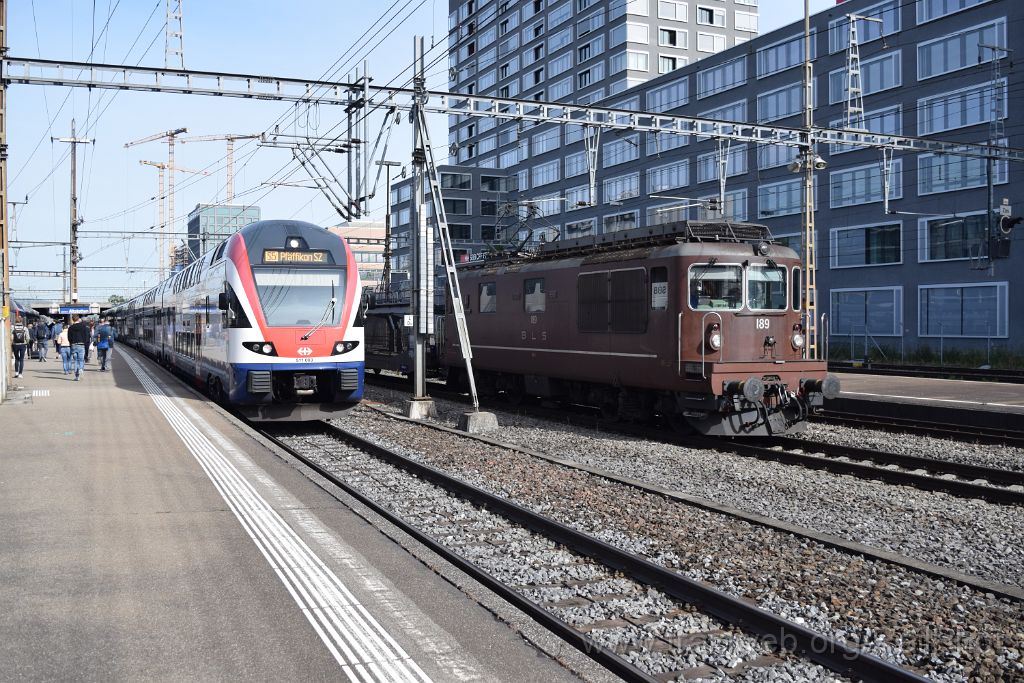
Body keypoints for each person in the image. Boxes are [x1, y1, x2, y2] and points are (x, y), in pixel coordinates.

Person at [67, 314, 90, 381]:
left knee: (76, 361)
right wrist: (85, 343)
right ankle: (80, 368)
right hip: (81, 345)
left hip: (74, 345)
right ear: (78, 319)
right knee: (81, 359)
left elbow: (69, 338)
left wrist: (72, 343)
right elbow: (86, 336)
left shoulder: (70, 328)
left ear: (73, 320)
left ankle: (77, 377)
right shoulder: (83, 327)